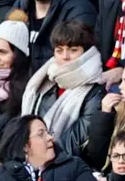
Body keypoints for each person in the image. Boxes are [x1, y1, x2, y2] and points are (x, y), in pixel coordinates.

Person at [21, 21, 105, 161]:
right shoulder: (46, 80)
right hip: (31, 158)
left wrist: (38, 154)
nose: (65, 56)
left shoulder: (95, 92)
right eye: (59, 50)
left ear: (87, 53)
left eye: (73, 50)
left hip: (64, 163)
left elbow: (76, 142)